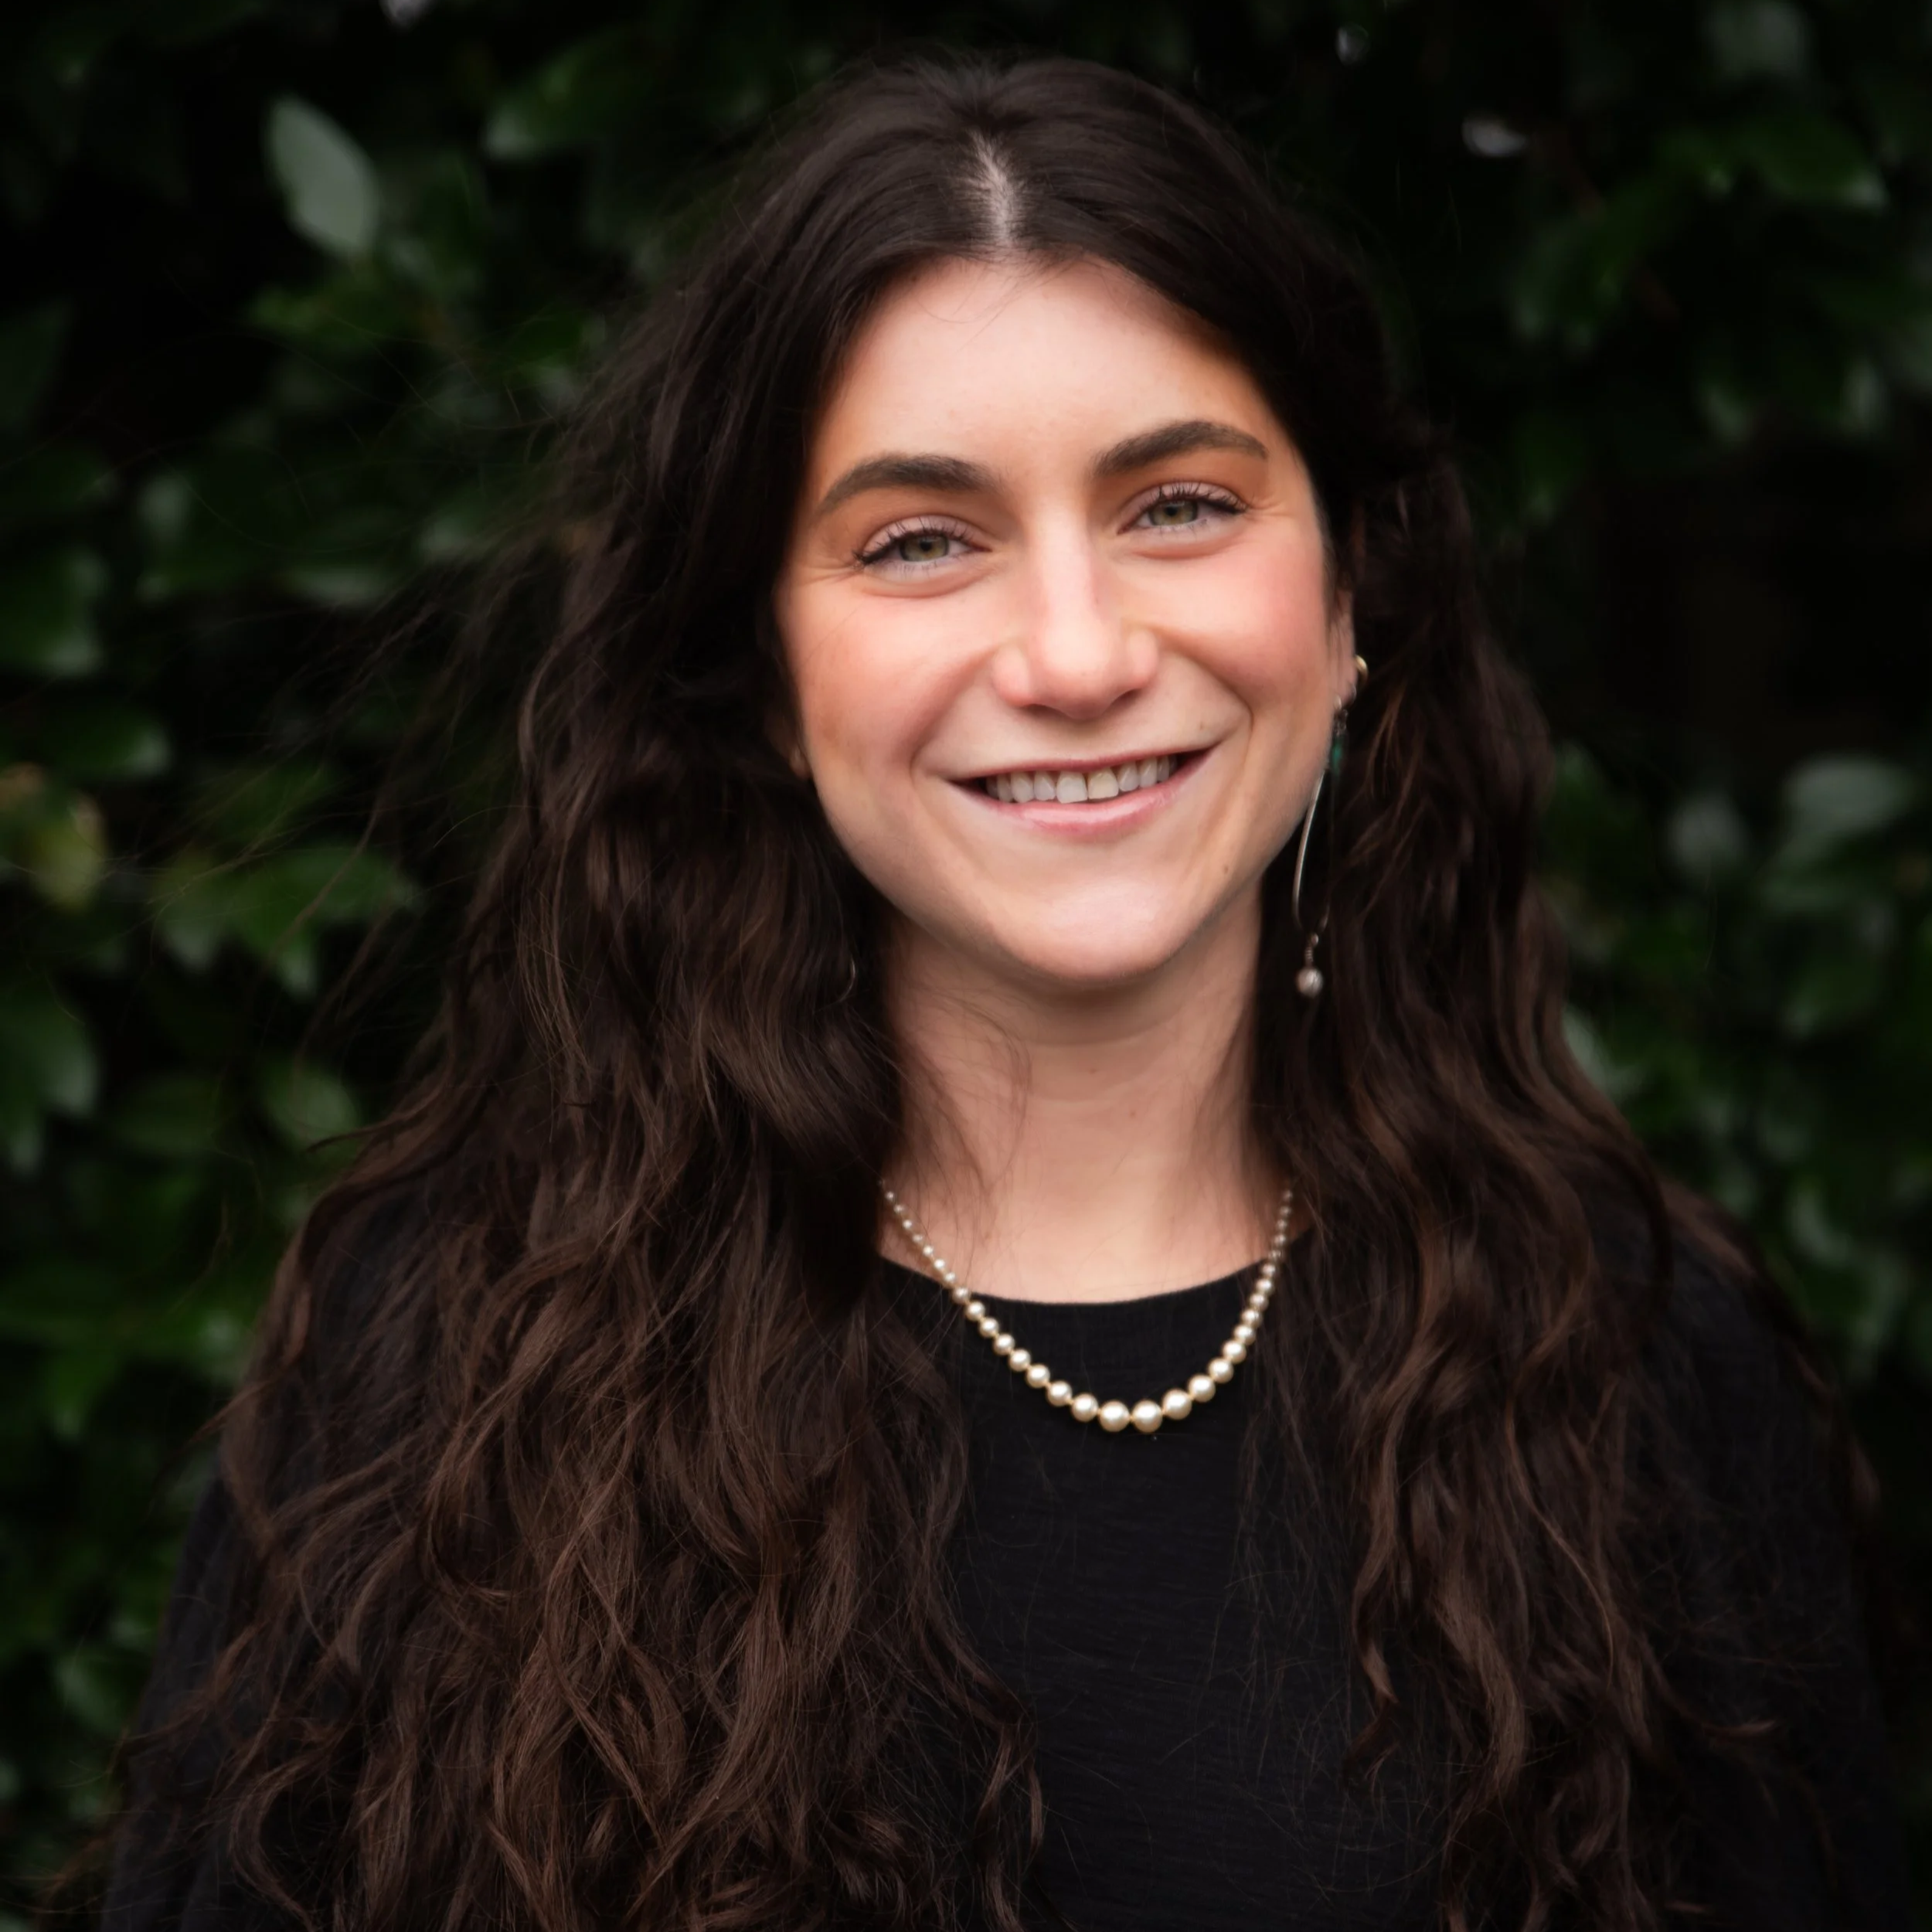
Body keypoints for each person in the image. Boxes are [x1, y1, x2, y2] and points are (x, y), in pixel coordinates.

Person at [102, 54, 1909, 1932]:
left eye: (1180, 504)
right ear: (758, 670)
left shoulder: (1626, 1366)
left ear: (1350, 590)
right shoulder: (433, 1376)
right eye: (919, 541)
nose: (1071, 652)